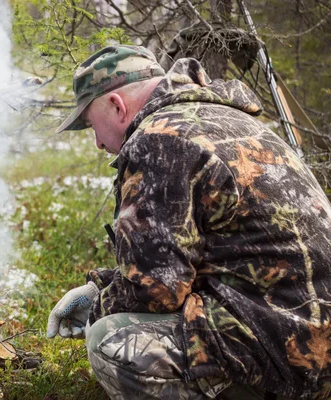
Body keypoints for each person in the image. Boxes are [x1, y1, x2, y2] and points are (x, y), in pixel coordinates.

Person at [46, 45, 331, 400]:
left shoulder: (158, 139)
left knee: (112, 340)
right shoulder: (226, 119)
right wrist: (101, 286)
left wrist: (99, 306)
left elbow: (156, 291)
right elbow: (189, 257)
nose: (98, 143)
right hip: (308, 333)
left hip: (292, 357)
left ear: (117, 106)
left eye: (92, 125)